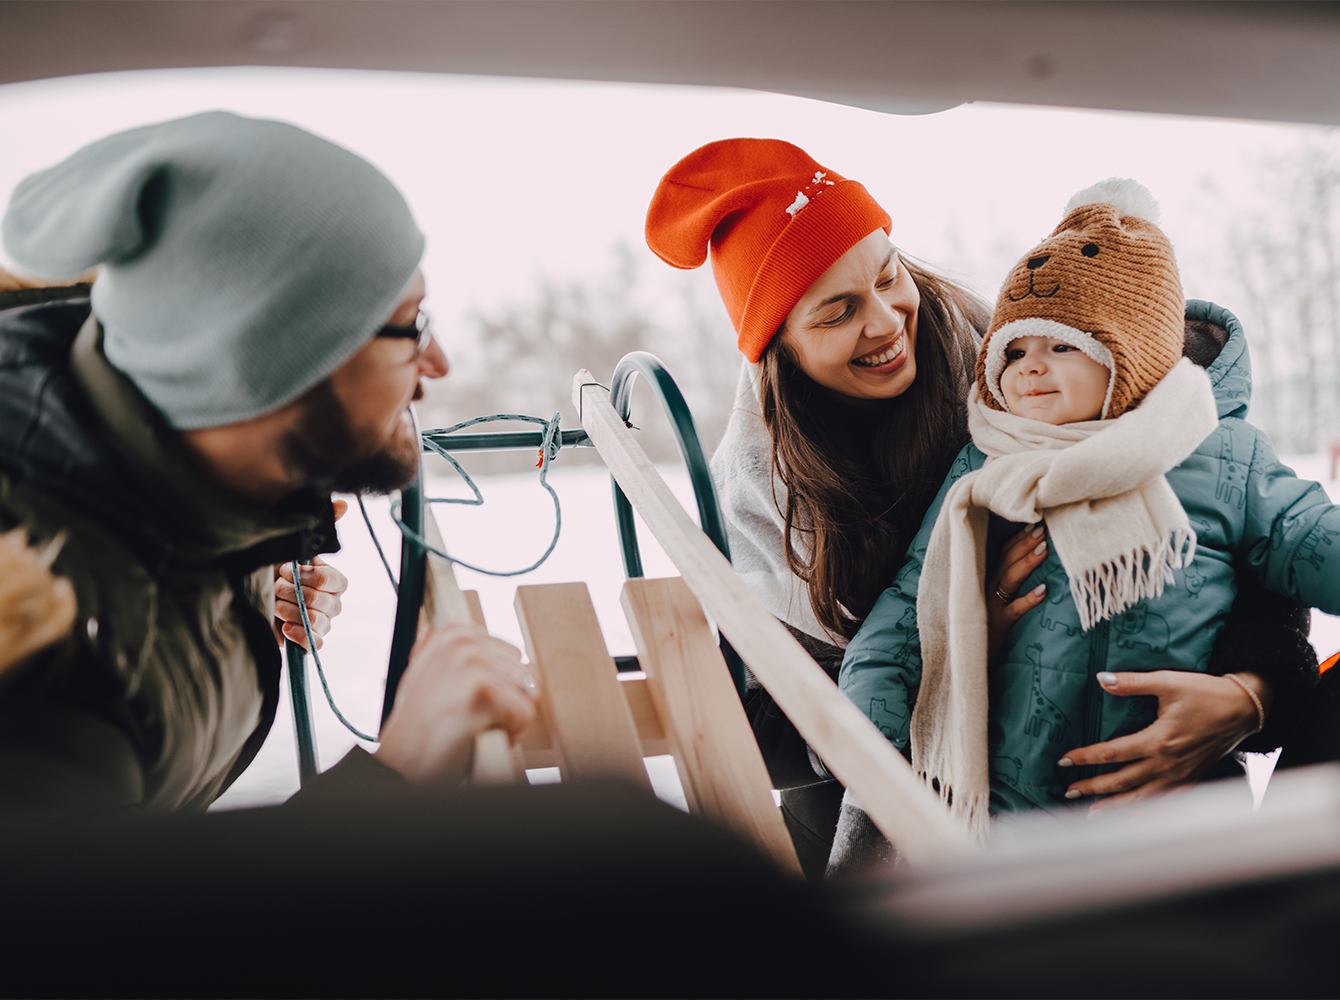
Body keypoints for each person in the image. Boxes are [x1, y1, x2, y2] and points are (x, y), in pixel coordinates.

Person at [645, 139, 1318, 879]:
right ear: (780, 349)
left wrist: (1251, 692)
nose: (884, 321)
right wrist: (959, 640)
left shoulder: (1019, 364)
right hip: (888, 805)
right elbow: (773, 731)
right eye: (838, 311)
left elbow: (1238, 542)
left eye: (887, 275)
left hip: (1153, 811)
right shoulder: (766, 507)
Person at [0, 112, 537, 810]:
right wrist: (397, 777)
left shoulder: (162, 419)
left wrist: (242, 568)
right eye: (410, 326)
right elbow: (102, 917)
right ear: (272, 357)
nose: (437, 364)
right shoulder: (42, 668)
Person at [839, 179, 1340, 846]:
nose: (1028, 368)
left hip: (1182, 822)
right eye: (1013, 350)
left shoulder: (1222, 457)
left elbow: (1309, 539)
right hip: (1013, 818)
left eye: (1061, 346)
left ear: (1128, 352)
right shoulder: (988, 470)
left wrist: (1254, 692)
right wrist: (875, 761)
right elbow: (906, 614)